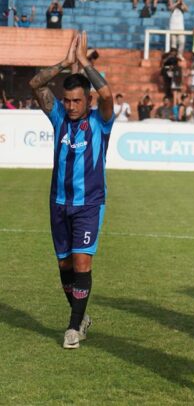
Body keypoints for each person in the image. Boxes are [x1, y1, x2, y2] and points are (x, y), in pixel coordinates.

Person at [28, 31, 115, 349]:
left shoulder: (100, 122)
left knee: (81, 263)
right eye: (67, 100)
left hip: (89, 204)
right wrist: (64, 64)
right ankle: (81, 316)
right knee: (64, 266)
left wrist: (83, 63)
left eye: (78, 100)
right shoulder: (58, 117)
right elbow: (35, 85)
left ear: (87, 100)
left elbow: (107, 94)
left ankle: (73, 327)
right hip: (58, 202)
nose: (72, 105)